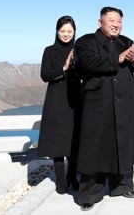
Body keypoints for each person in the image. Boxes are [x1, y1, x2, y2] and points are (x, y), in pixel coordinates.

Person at [74, 6, 134, 211]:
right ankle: (88, 193)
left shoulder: (126, 41)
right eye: (111, 20)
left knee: (123, 145)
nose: (116, 24)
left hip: (124, 104)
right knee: (94, 148)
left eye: (119, 21)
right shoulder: (86, 42)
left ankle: (123, 186)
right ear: (100, 22)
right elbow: (88, 63)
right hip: (99, 105)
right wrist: (118, 59)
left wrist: (133, 59)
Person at [37, 15, 81, 194]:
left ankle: (72, 177)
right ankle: (60, 180)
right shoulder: (49, 50)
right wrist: (63, 68)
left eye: (69, 31)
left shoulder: (79, 49)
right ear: (57, 31)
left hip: (76, 99)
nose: (66, 34)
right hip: (56, 99)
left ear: (74, 32)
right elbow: (45, 75)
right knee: (57, 142)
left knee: (74, 141)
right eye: (63, 31)